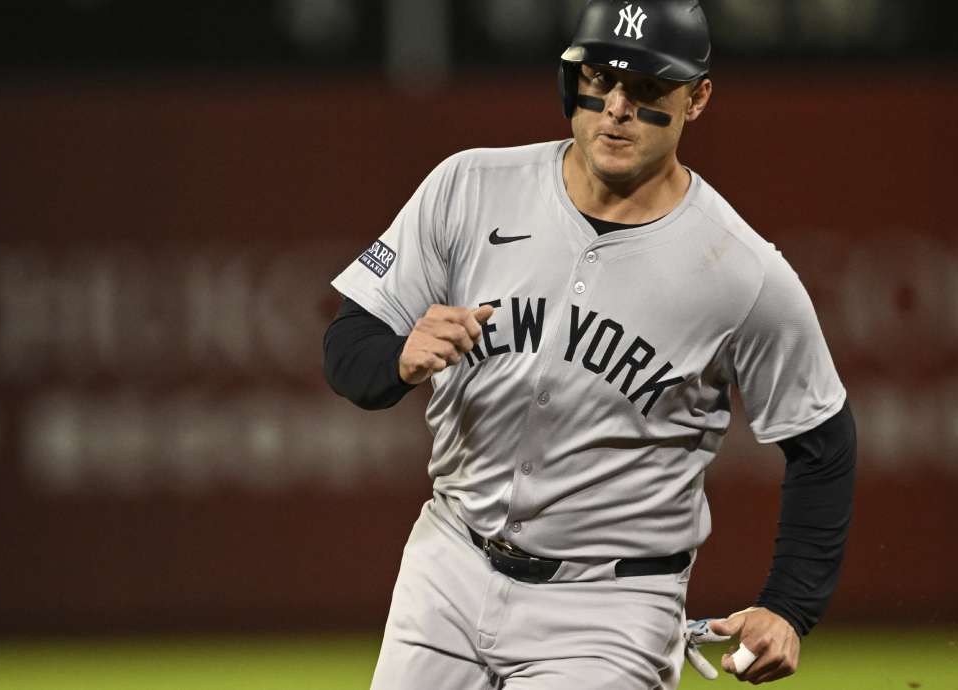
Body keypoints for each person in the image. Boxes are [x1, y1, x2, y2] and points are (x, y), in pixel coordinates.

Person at [322, 1, 856, 687]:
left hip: (610, 604)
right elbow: (349, 344)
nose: (616, 106)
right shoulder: (470, 186)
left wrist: (788, 607)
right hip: (448, 563)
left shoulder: (742, 272)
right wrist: (396, 358)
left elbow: (823, 441)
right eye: (599, 78)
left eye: (647, 88)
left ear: (697, 99)